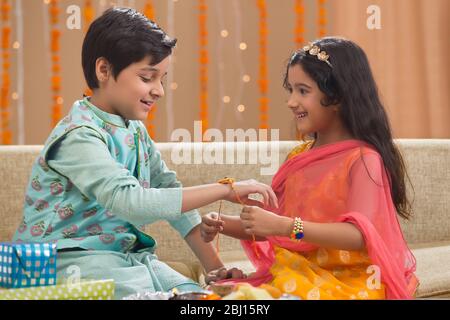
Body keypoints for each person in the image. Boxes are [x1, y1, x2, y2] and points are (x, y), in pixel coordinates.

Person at [12, 8, 278, 299]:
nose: (159, 90)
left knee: (200, 296)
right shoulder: (79, 135)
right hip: (66, 262)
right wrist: (223, 190)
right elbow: (131, 203)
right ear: (103, 70)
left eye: (162, 79)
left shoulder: (134, 130)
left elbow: (171, 194)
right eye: (147, 77)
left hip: (126, 259)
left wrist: (216, 269)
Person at [201, 37, 418, 299]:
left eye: (303, 91)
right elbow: (271, 228)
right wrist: (223, 223)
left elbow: (359, 235)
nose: (291, 101)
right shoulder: (299, 156)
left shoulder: (362, 159)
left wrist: (285, 225)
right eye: (290, 90)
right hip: (299, 272)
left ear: (337, 97)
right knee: (215, 296)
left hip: (347, 279)